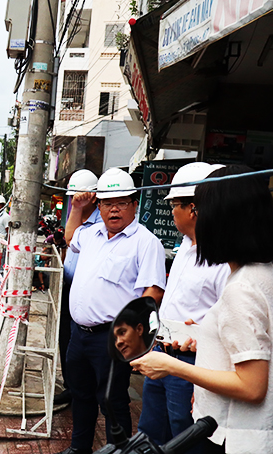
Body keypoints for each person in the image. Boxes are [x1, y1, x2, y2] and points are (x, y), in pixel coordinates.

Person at [131, 165, 273, 454]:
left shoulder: (242, 288)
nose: (196, 217)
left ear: (223, 219)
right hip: (263, 432)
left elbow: (252, 387)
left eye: (199, 208)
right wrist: (205, 337)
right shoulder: (270, 269)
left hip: (235, 437)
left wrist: (171, 366)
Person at [59, 167, 166, 454]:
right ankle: (78, 448)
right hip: (79, 334)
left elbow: (153, 293)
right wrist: (77, 208)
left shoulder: (145, 243)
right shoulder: (91, 234)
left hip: (113, 337)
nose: (114, 209)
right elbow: (70, 237)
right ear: (100, 206)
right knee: (81, 395)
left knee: (113, 401)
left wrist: (133, 338)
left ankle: (118, 451)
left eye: (121, 202)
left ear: (134, 204)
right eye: (107, 203)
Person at [137, 163, 231, 451]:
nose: (171, 212)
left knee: (186, 437)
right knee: (152, 433)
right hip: (164, 353)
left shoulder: (225, 258)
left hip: (194, 365)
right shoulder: (186, 247)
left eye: (175, 205)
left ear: (194, 208)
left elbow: (229, 324)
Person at [54, 170, 102, 405]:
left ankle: (82, 389)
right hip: (68, 287)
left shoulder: (100, 224)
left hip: (84, 291)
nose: (74, 202)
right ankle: (70, 386)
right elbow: (68, 239)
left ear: (93, 197)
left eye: (78, 197)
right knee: (65, 338)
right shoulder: (77, 217)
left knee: (78, 340)